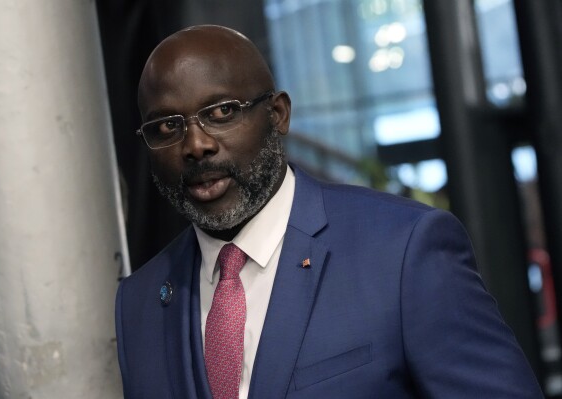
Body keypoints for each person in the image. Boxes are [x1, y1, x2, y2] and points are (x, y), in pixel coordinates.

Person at [115, 24, 543, 399]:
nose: (195, 145)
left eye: (222, 112)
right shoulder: (140, 303)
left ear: (278, 114)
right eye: (167, 126)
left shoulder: (401, 252)